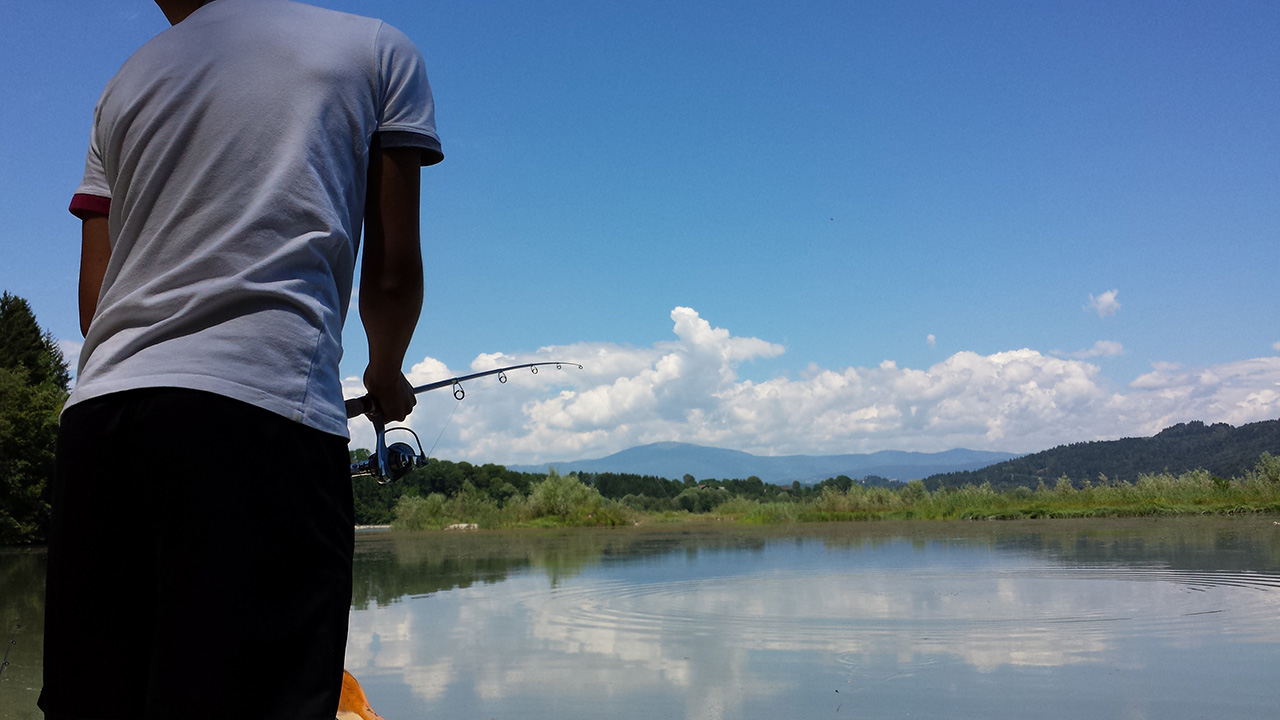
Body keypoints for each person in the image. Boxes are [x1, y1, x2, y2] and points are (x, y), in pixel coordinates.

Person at [40, 0, 442, 717]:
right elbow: (390, 275)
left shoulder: (125, 83)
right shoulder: (378, 50)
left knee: (97, 698)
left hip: (98, 427)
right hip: (261, 417)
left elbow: (94, 305)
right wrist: (385, 374)